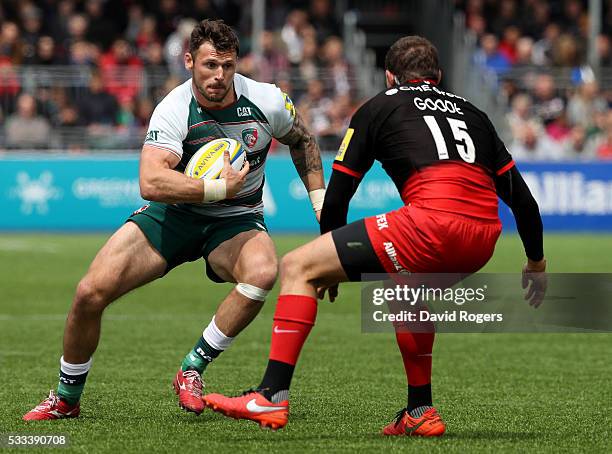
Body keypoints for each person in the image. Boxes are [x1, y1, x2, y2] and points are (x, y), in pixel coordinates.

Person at [203, 36, 547, 436]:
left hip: (431, 224)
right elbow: (523, 201)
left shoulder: (379, 107)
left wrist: (324, 263)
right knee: (406, 290)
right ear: (437, 77)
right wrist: (535, 262)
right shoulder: (475, 115)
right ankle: (420, 411)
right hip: (483, 237)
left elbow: (340, 193)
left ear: (389, 76)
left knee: (298, 266)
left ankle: (270, 396)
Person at [23, 19, 325, 420]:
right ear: (189, 62)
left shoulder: (267, 100)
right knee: (89, 293)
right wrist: (219, 189)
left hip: (235, 221)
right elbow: (150, 181)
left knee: (263, 272)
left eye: (228, 66)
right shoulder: (174, 107)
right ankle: (66, 397)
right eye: (210, 65)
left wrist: (321, 206)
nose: (219, 76)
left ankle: (192, 369)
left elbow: (303, 139)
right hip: (174, 214)